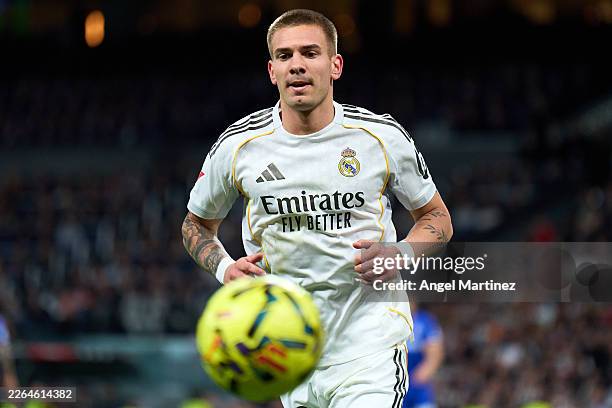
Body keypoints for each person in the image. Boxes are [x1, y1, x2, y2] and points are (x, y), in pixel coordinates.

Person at [182, 9, 452, 407]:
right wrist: (225, 268)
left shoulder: (380, 137)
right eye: (285, 55)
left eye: (310, 53)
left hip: (370, 346)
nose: (297, 65)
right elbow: (195, 226)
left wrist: (399, 253)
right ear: (272, 71)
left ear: (335, 65)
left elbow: (437, 218)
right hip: (291, 353)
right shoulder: (238, 147)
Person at [402, 302, 444, 408]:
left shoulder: (425, 321)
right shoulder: (392, 319)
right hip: (396, 379)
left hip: (417, 380)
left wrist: (424, 373)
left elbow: (435, 352)